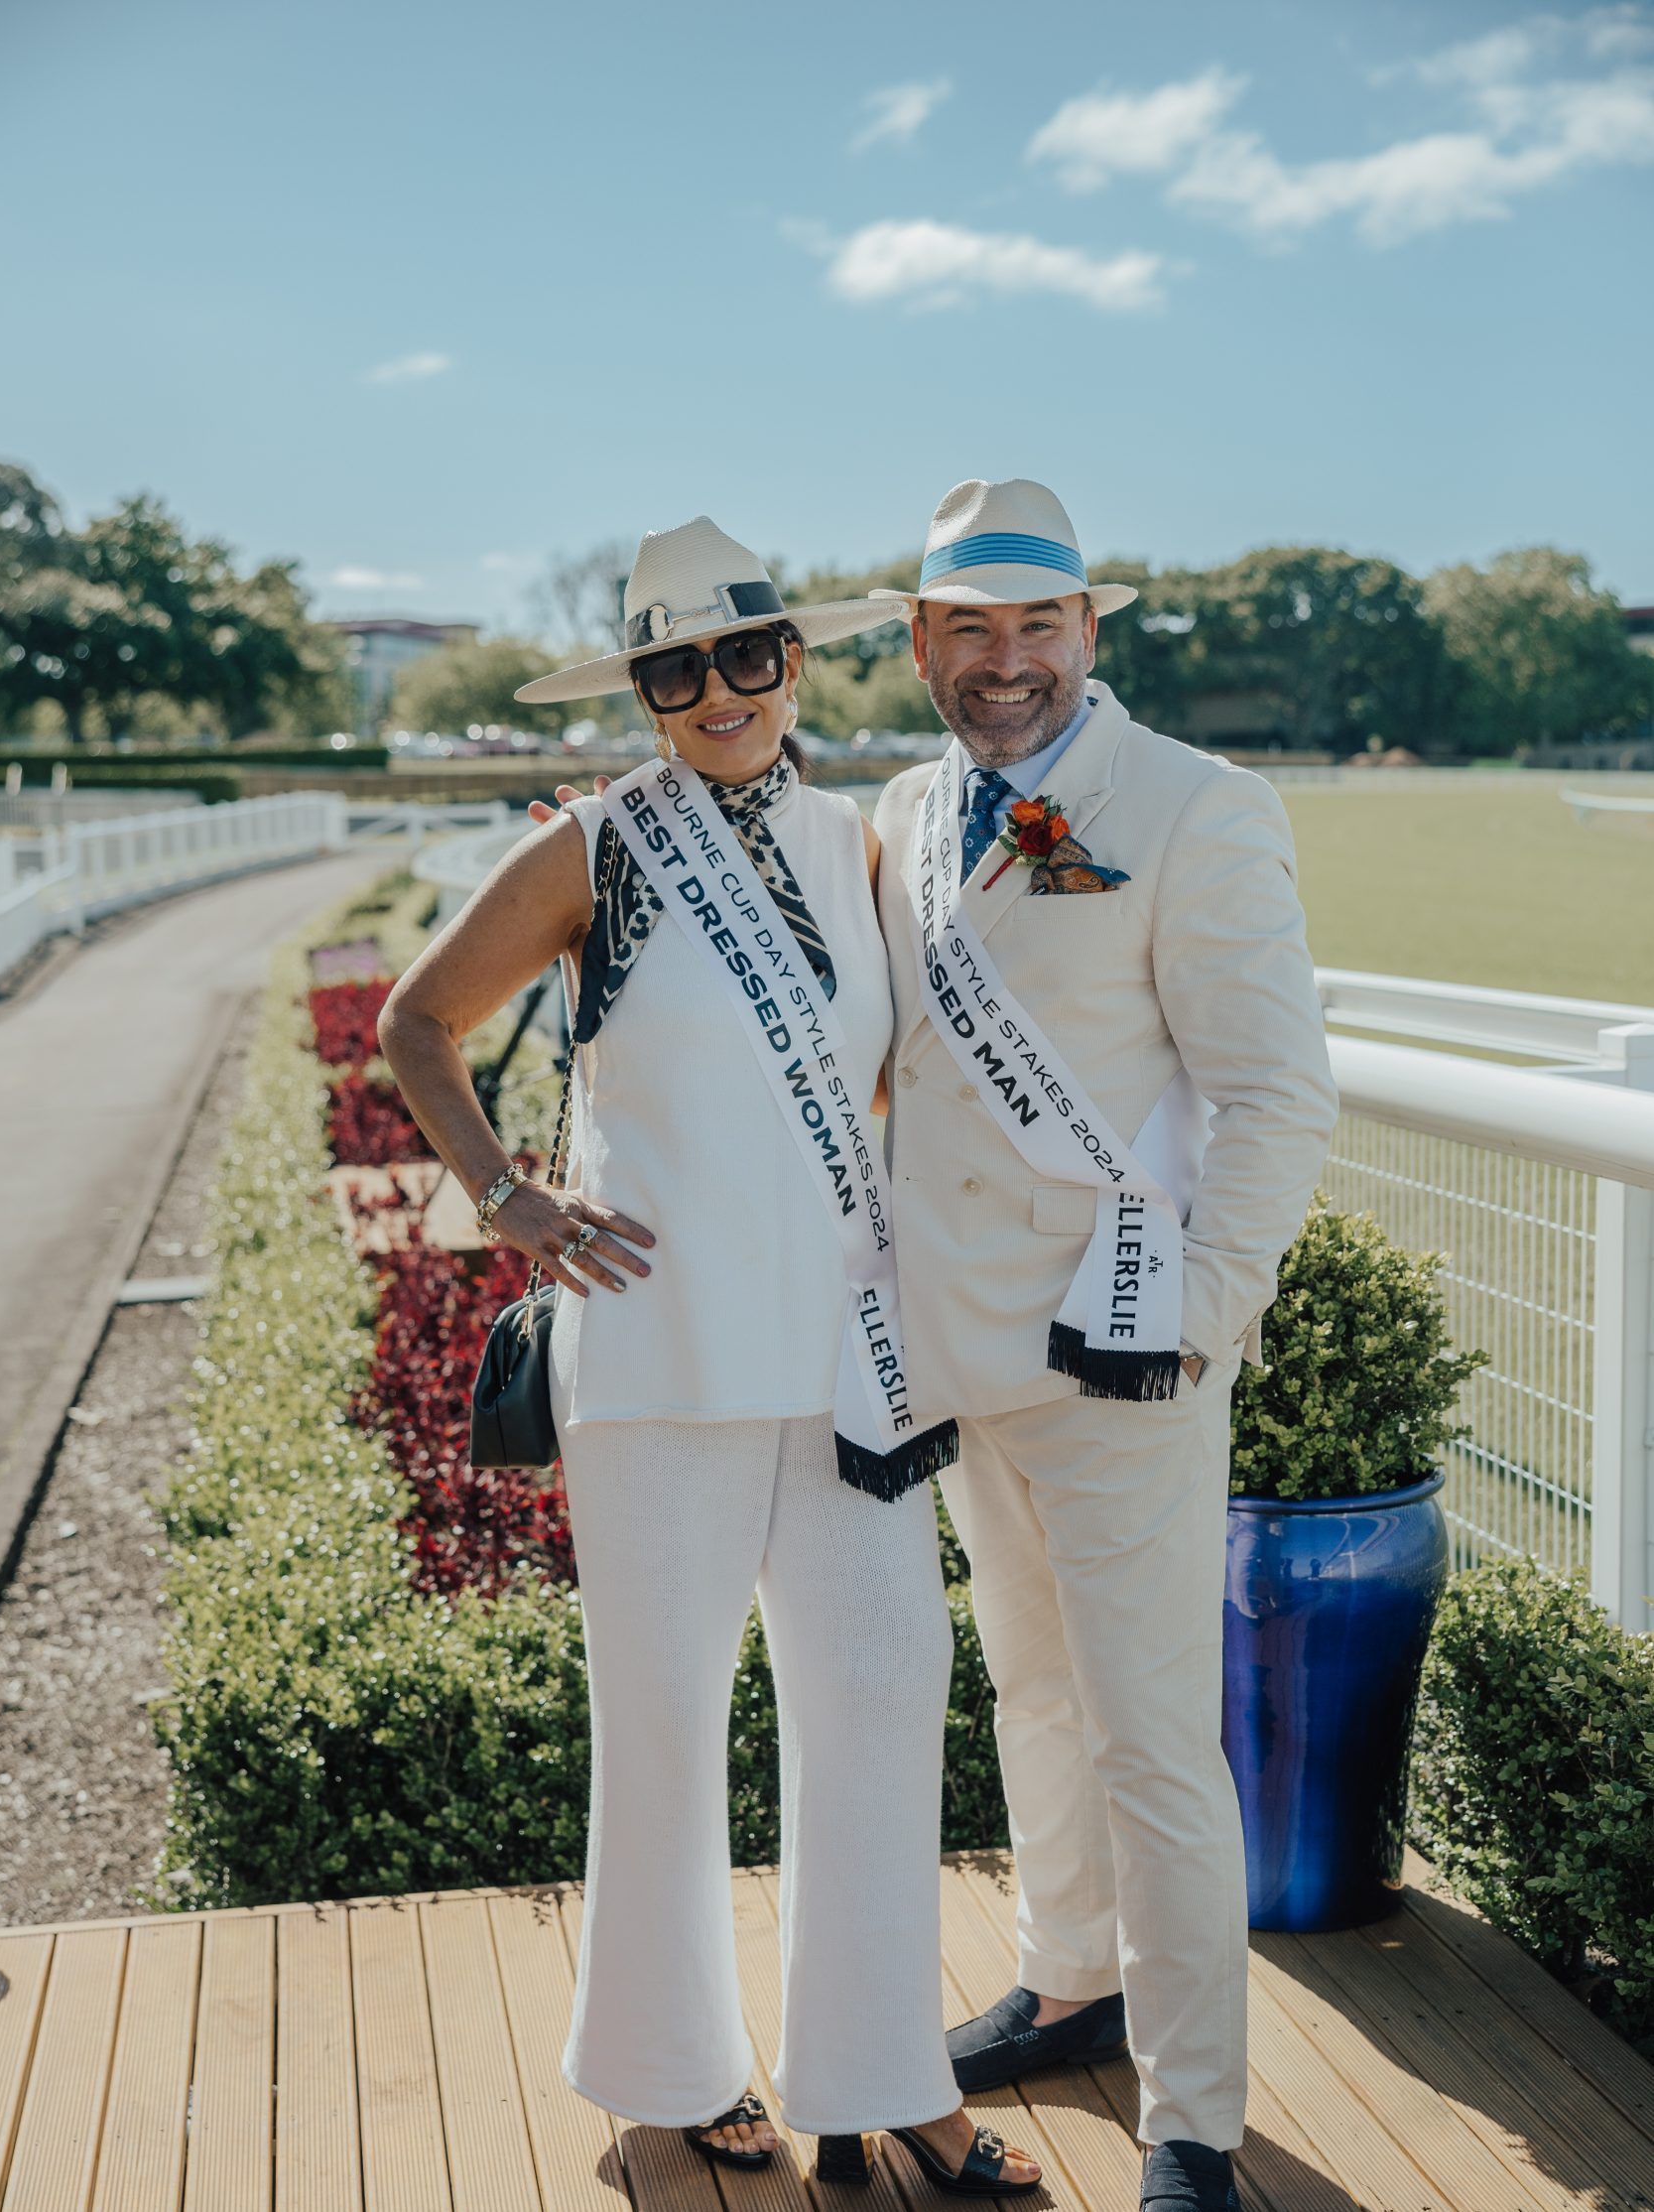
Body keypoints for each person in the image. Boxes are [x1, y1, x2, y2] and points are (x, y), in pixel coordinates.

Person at [379, 516, 1042, 2196]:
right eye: (680, 669)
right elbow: (415, 1023)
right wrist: (511, 1197)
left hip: (841, 1362)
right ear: (650, 693)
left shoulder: (862, 847)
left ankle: (884, 2076)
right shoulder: (591, 849)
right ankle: (676, 2075)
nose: (722, 691)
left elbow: (890, 1079)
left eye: (749, 656)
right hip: (656, 1363)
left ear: (794, 663)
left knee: (887, 1692)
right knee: (664, 1722)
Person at [868, 478, 1338, 2212]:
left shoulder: (1198, 808)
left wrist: (1204, 1317)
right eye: (969, 628)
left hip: (1126, 1353)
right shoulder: (909, 808)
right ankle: (1070, 1978)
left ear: (1091, 629)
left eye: (1037, 625)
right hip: (962, 1350)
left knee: (1157, 1737)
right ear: (920, 642)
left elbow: (1279, 1094)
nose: (1007, 662)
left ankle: (1195, 2114)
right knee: (1035, 1689)